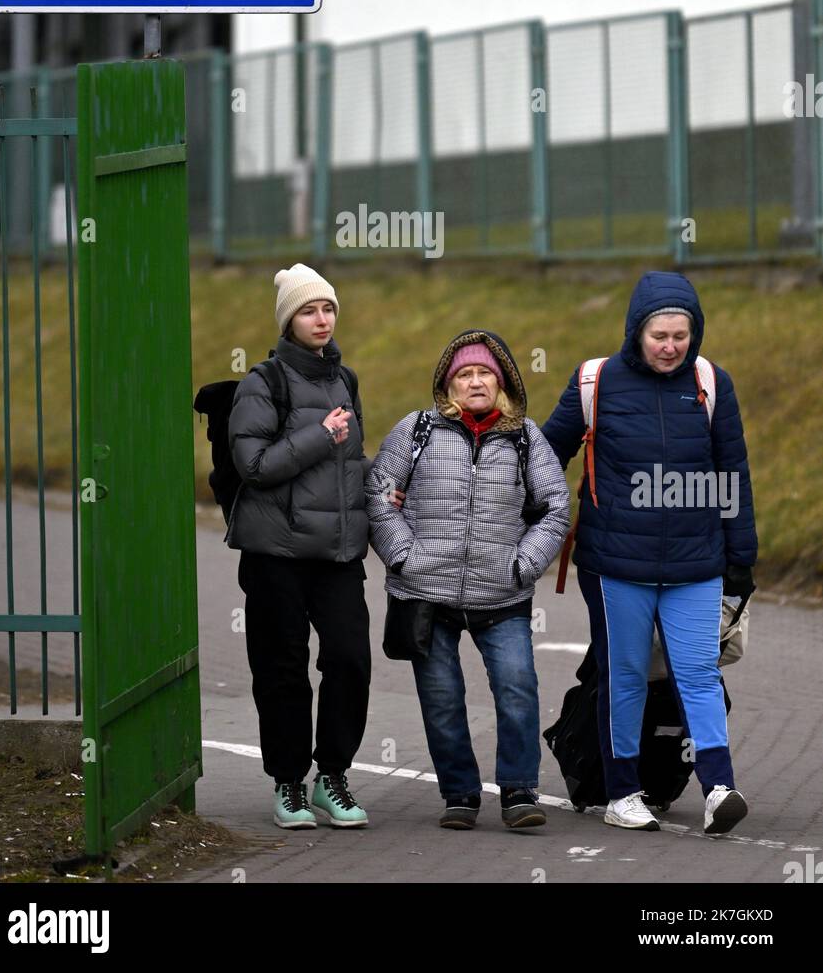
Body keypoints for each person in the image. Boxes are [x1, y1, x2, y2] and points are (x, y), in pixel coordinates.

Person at [541, 271, 757, 835]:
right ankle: (622, 793)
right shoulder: (596, 382)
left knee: (698, 673)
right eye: (660, 334)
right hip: (615, 565)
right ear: (637, 331)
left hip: (695, 563)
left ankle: (719, 788)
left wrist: (742, 559)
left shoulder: (712, 384)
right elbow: (544, 455)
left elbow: (732, 472)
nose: (670, 346)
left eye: (681, 336)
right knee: (627, 674)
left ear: (695, 334)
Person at [366, 329, 570, 831]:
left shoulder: (527, 438)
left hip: (502, 594)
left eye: (484, 373)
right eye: (464, 374)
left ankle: (519, 792)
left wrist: (524, 565)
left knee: (518, 689)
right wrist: (402, 556)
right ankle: (460, 794)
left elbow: (556, 508)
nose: (475, 382)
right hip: (425, 594)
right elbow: (378, 493)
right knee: (441, 700)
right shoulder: (415, 431)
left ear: (501, 384)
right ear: (448, 386)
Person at [226, 263, 374, 831]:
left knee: (351, 662)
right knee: (282, 669)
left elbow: (347, 463)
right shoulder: (262, 382)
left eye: (329, 309)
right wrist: (321, 436)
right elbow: (254, 465)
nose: (322, 319)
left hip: (337, 554)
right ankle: (288, 782)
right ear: (289, 320)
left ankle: (330, 776)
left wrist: (383, 477)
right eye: (310, 310)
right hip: (275, 555)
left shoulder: (346, 380)